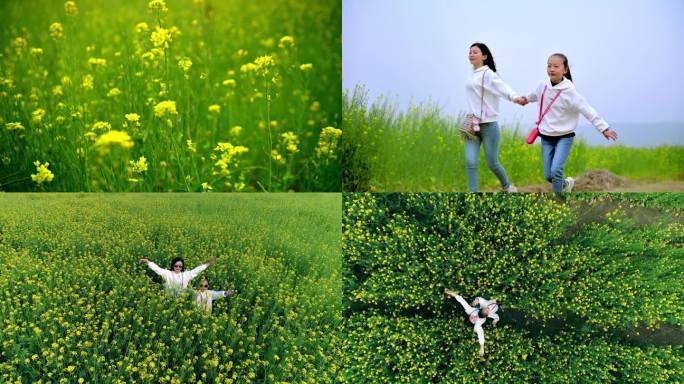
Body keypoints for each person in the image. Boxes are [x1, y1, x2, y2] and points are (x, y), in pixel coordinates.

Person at [515, 53, 618, 193]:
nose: (551, 69)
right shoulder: (543, 86)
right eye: (549, 66)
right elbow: (534, 94)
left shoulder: (570, 92)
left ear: (565, 70)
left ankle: (558, 202)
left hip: (564, 137)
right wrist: (525, 99)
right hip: (545, 136)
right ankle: (566, 184)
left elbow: (587, 110)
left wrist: (604, 128)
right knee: (548, 175)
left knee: (556, 170)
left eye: (556, 66)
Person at [464, 42, 522, 193]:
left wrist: (514, 97)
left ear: (484, 56)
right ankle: (473, 195)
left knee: (492, 163)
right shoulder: (472, 76)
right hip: (471, 124)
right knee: (470, 161)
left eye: (475, 52)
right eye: (470, 52)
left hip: (489, 126)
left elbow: (502, 87)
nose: (471, 54)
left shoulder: (488, 74)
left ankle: (507, 187)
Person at [444, 288, 499, 357]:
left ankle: (495, 300)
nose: (474, 318)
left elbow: (462, 301)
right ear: (474, 323)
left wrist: (452, 293)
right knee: (495, 316)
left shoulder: (470, 310)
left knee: (485, 302)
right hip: (490, 312)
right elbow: (480, 334)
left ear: (469, 316)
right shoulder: (477, 325)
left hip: (483, 306)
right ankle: (496, 310)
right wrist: (482, 348)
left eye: (471, 317)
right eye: (474, 320)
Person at [138, 256, 216, 297]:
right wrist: (147, 262)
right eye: (176, 266)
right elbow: (157, 269)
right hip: (169, 299)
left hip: (182, 300)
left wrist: (207, 264)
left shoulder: (186, 275)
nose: (178, 268)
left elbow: (197, 270)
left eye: (180, 266)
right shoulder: (168, 273)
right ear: (173, 265)